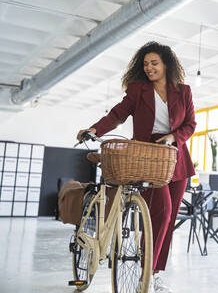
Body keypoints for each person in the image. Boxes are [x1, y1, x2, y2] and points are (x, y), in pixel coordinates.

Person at [77, 41, 196, 293]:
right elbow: (117, 114)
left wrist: (174, 136)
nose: (149, 67)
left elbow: (190, 124)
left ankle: (154, 274)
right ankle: (146, 273)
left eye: (154, 63)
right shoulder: (138, 90)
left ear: (166, 64)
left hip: (176, 157)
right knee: (160, 212)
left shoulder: (183, 91)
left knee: (169, 218)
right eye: (145, 64)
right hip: (147, 155)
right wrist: (94, 129)